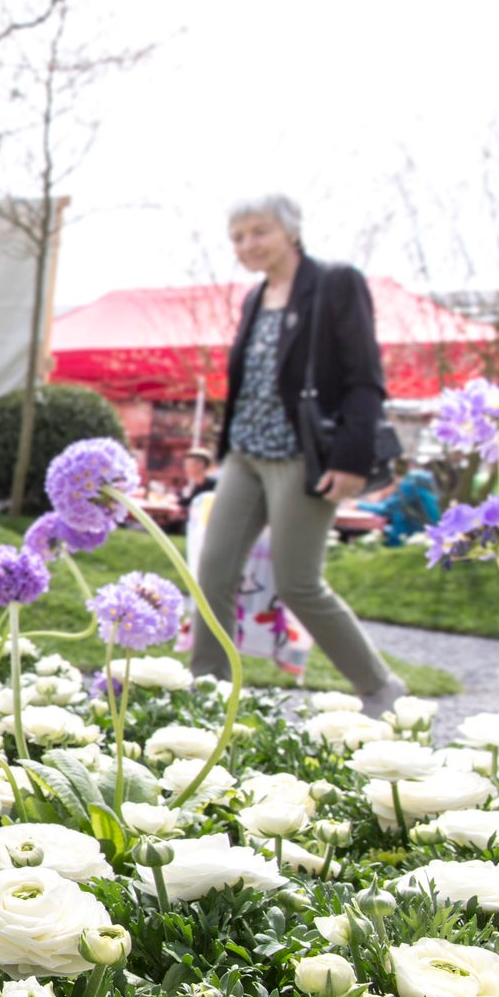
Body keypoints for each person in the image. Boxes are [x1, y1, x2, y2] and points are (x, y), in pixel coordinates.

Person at [193, 194, 404, 711]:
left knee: (298, 583)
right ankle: (207, 693)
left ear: (290, 231)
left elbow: (364, 380)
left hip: (303, 458)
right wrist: (223, 453)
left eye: (258, 231)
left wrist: (351, 461)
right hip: (245, 455)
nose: (248, 245)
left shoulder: (335, 283)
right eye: (238, 237)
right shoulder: (252, 299)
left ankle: (381, 688)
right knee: (213, 574)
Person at [171, 447, 218, 533]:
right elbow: (188, 501)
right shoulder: (198, 484)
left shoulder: (213, 484)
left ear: (201, 465)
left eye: (189, 465)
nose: (186, 468)